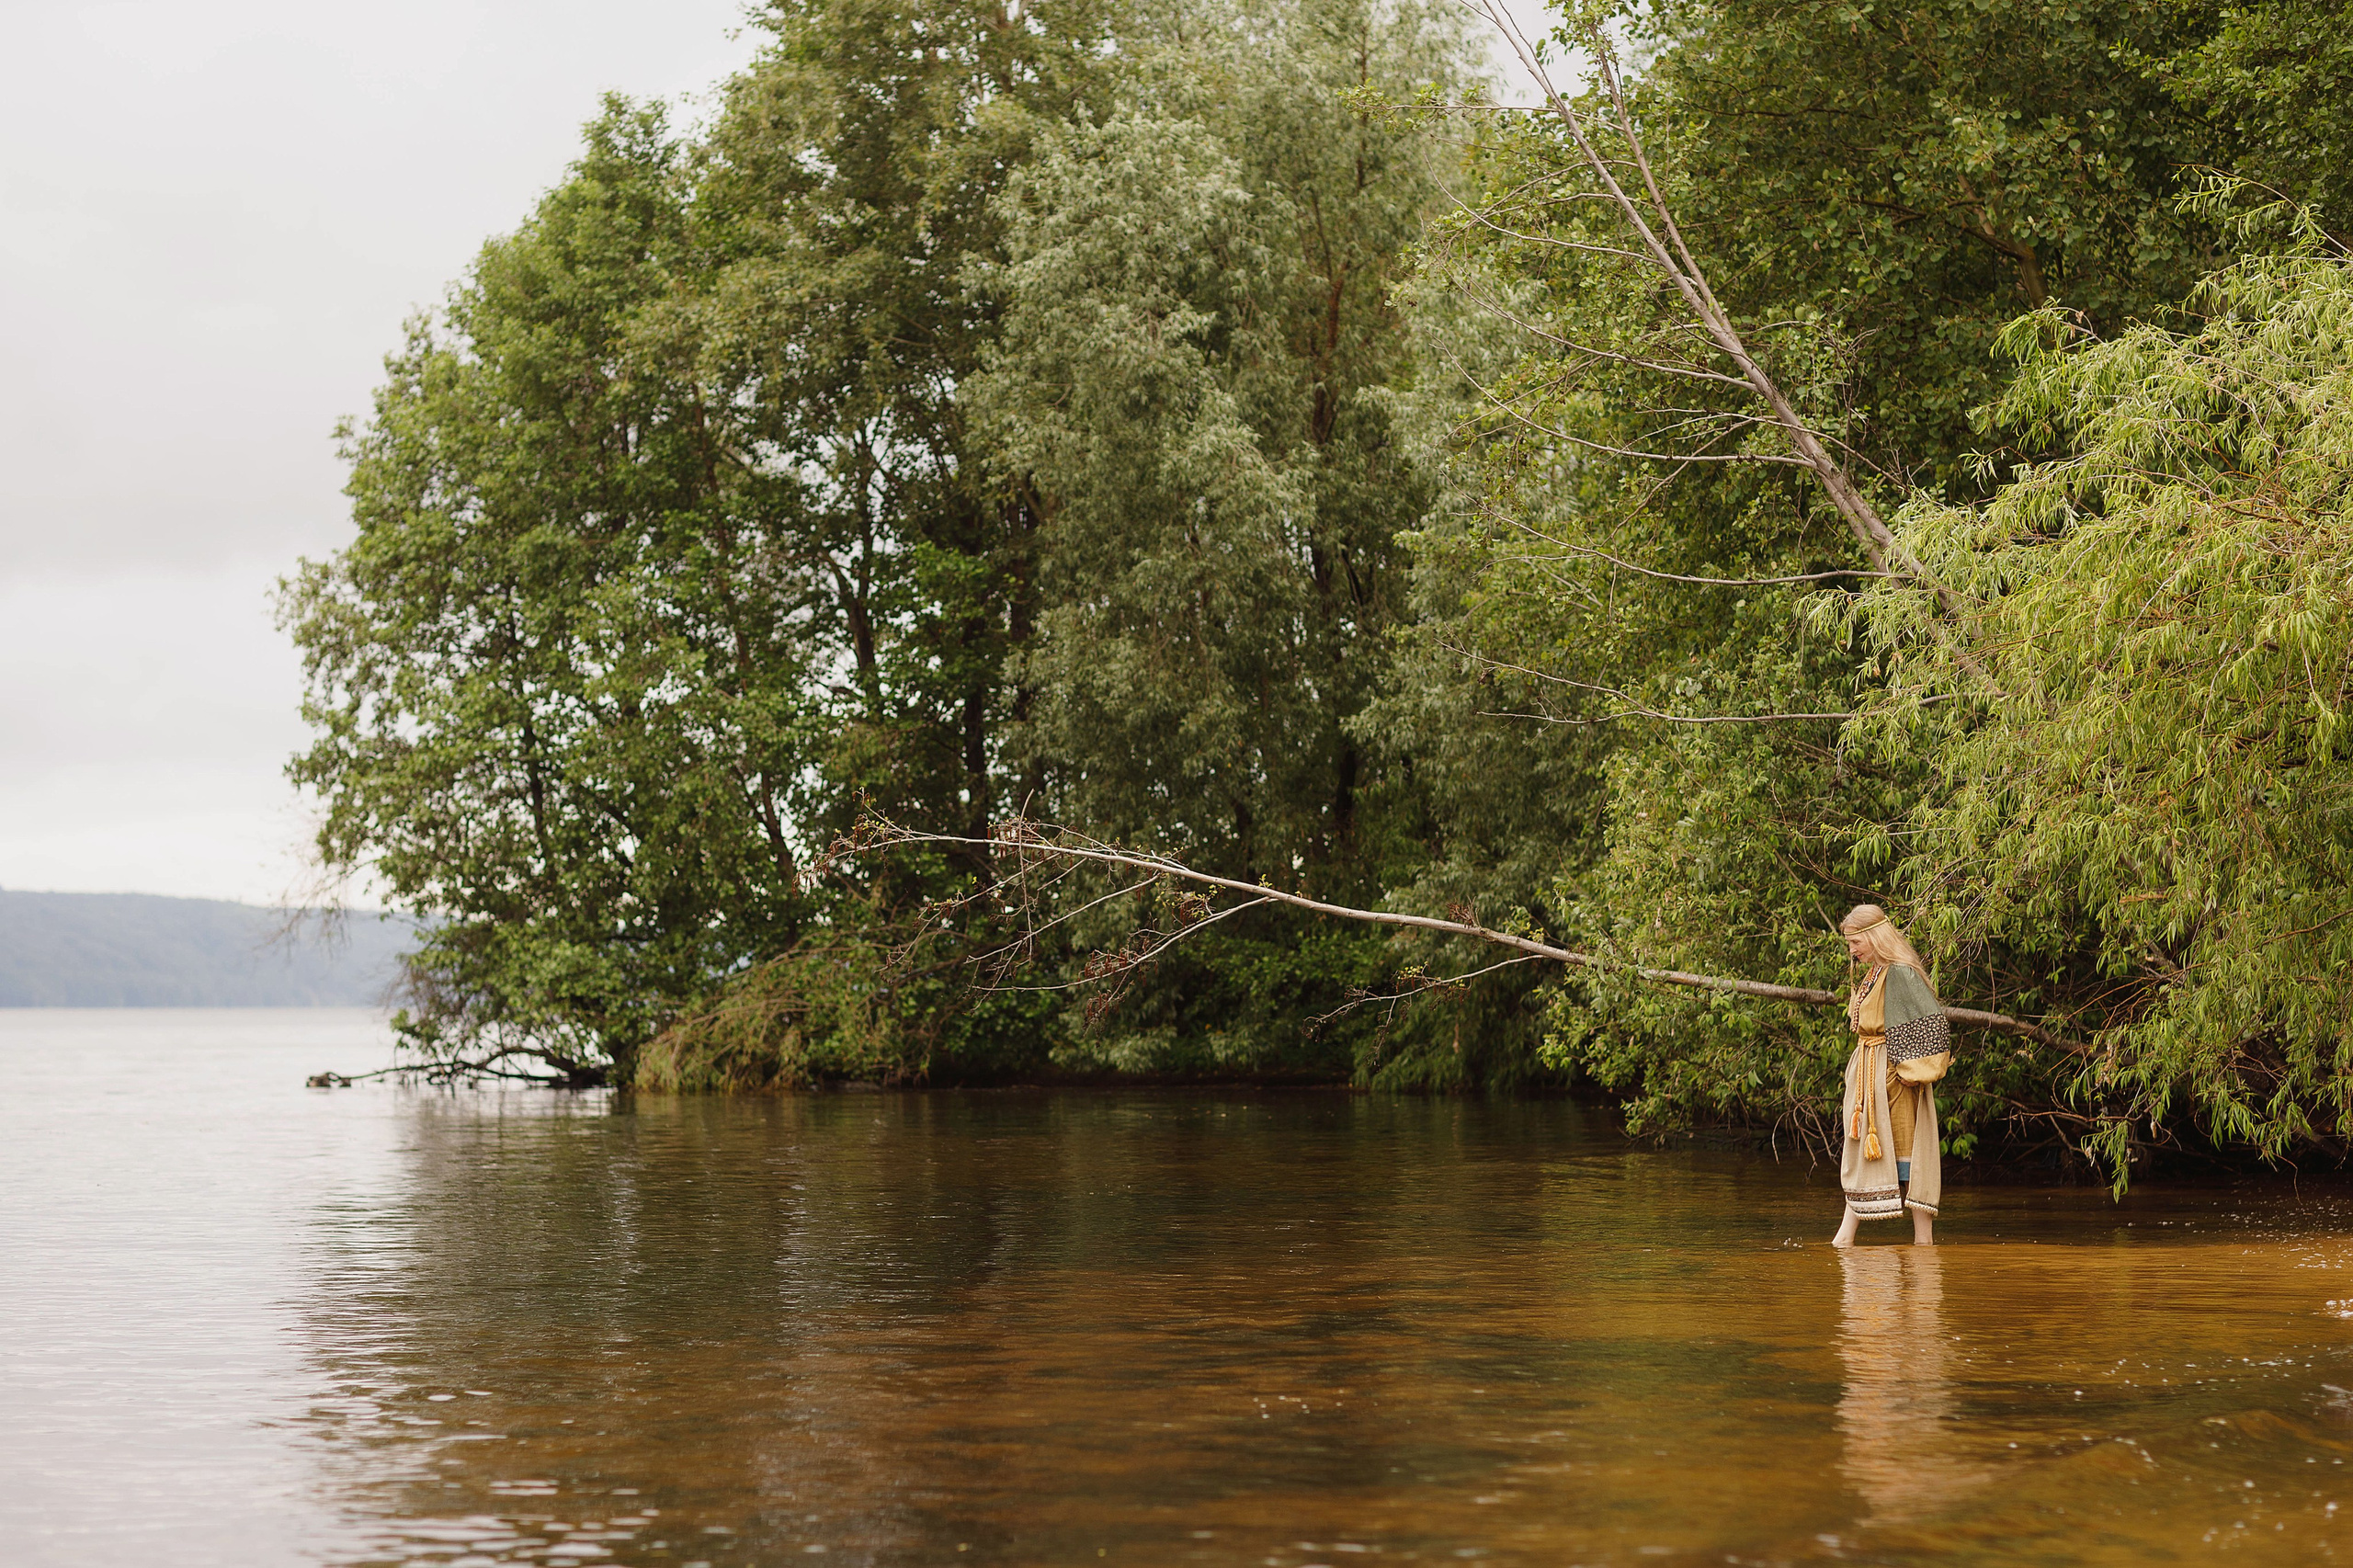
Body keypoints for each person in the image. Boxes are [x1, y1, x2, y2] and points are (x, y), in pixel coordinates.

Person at [1831, 903, 1949, 1247]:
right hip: (1871, 1074)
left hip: (1892, 1078)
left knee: (1904, 1156)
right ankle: (1846, 1239)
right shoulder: (1875, 973)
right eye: (1850, 944)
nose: (1852, 950)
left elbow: (1931, 1024)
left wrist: (1910, 1071)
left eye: (1855, 942)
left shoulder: (1899, 972)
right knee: (1869, 1152)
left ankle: (1922, 1243)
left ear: (1874, 936)